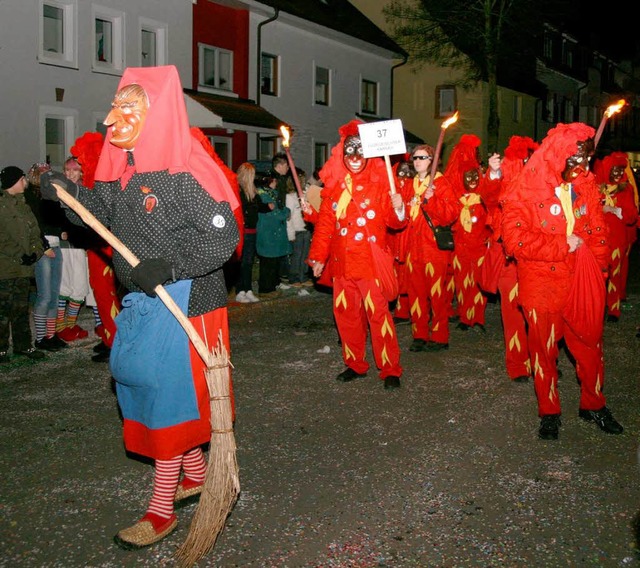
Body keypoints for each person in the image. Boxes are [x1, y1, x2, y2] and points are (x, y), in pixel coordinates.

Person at [41, 65, 240, 548]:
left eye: (127, 108)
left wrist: (170, 266)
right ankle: (195, 471)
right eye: (114, 106)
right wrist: (68, 195)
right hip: (141, 302)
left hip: (187, 302)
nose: (112, 119)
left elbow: (225, 238)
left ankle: (160, 508)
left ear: (155, 115)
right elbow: (100, 215)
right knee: (134, 378)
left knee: (167, 398)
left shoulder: (184, 174)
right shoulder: (121, 171)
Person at [501, 122, 623, 440]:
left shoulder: (586, 185)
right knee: (543, 351)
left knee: (590, 347)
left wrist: (598, 273)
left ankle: (593, 404)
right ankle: (550, 411)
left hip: (581, 282)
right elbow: (513, 240)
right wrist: (561, 244)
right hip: (542, 285)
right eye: (575, 159)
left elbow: (598, 232)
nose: (581, 167)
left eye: (585, 160)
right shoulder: (525, 189)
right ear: (558, 155)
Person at [307, 119, 406, 390]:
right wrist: (318, 258)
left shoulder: (380, 183)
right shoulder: (336, 187)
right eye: (349, 152)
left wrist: (399, 208)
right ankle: (355, 364)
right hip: (342, 264)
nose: (354, 158)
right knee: (346, 316)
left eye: (360, 152)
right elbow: (326, 225)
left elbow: (395, 223)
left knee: (379, 317)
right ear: (342, 155)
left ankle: (390, 368)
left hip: (370, 264)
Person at [480, 136, 539, 383]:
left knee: (539, 316)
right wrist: (494, 173)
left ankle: (542, 360)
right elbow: (490, 198)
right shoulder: (504, 185)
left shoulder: (543, 183)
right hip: (509, 260)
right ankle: (517, 364)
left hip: (538, 257)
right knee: (513, 313)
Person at [402, 144, 460, 352]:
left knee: (437, 295)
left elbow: (450, 214)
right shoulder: (410, 185)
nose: (417, 161)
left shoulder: (441, 183)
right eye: (415, 158)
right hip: (413, 249)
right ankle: (419, 334)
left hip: (433, 248)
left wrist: (431, 199)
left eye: (423, 157)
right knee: (415, 293)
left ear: (432, 160)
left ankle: (439, 335)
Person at [0, 166, 46, 363]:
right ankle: (1, 349)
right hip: (5, 268)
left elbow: (34, 232)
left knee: (21, 308)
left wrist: (35, 252)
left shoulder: (24, 205)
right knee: (3, 310)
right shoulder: (2, 206)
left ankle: (23, 345)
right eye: (22, 179)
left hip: (23, 268)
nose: (25, 182)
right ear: (14, 182)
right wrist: (20, 255)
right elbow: (2, 239)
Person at [25, 163, 69, 352]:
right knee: (44, 295)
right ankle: (41, 337)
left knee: (53, 294)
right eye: (42, 174)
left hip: (56, 246)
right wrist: (43, 247)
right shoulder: (31, 197)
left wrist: (62, 231)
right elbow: (33, 226)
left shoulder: (51, 195)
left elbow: (56, 218)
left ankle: (51, 335)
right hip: (44, 249)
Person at [593, 151, 639, 322]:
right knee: (598, 276)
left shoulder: (625, 190)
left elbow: (632, 216)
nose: (619, 174)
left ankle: (614, 309)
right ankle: (597, 307)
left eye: (622, 170)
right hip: (599, 238)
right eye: (616, 170)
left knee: (615, 274)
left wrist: (615, 210)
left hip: (617, 239)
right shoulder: (597, 188)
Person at [235, 162, 268, 303]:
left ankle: (248, 289)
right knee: (242, 262)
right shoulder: (238, 190)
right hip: (242, 232)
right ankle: (240, 290)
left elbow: (259, 206)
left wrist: (267, 207)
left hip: (252, 231)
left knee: (249, 262)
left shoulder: (252, 191)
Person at [388, 158, 415, 323]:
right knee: (396, 275)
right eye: (401, 172)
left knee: (409, 277)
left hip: (410, 238)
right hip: (393, 238)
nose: (404, 176)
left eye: (407, 172)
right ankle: (400, 311)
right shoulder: (392, 189)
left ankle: (413, 310)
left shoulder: (415, 188)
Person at [256, 175, 291, 294]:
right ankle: (266, 288)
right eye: (274, 180)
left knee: (273, 261)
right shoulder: (265, 195)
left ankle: (272, 285)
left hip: (272, 233)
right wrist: (287, 212)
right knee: (268, 262)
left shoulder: (272, 194)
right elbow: (276, 213)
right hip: (269, 233)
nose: (276, 182)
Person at [285, 170, 313, 288]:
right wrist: (290, 234)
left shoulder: (304, 194)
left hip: (305, 228)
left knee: (305, 254)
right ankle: (294, 277)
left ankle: (303, 276)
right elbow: (288, 217)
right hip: (296, 230)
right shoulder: (290, 197)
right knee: (297, 255)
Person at [270, 152, 292, 287]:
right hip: (276, 218)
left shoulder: (282, 179)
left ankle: (279, 278)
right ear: (280, 166)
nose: (288, 168)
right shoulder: (274, 180)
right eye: (286, 165)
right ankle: (275, 279)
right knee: (275, 249)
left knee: (281, 248)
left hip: (282, 215)